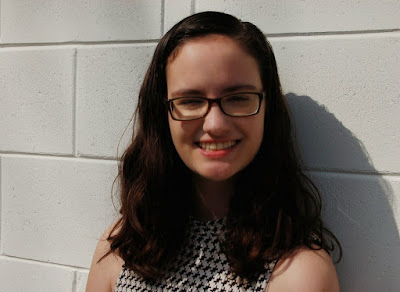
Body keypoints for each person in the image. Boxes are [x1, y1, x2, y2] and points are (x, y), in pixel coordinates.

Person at [86, 11, 341, 292]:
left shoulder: (297, 273)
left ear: (268, 110)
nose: (215, 124)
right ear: (163, 114)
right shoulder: (120, 247)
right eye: (190, 100)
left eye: (239, 98)